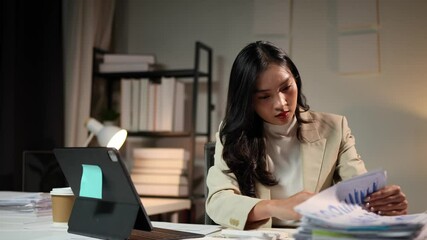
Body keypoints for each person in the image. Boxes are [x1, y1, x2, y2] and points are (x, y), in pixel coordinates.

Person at [205, 41, 408, 230]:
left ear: (296, 81)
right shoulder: (233, 134)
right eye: (265, 96)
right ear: (247, 100)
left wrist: (382, 202)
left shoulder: (335, 129)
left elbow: (359, 188)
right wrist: (277, 207)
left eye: (286, 88)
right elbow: (218, 201)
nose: (281, 103)